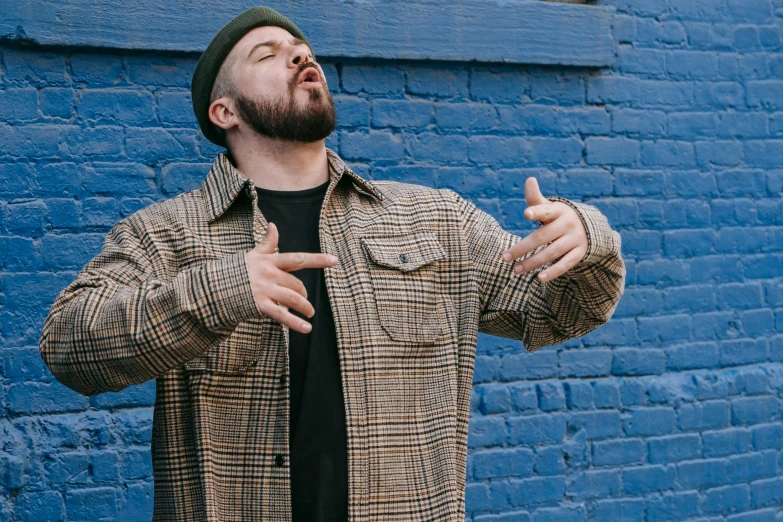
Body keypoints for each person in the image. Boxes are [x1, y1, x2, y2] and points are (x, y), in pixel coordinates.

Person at [39, 6, 625, 521]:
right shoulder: (164, 235)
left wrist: (588, 239)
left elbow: (559, 313)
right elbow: (68, 348)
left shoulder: (437, 221)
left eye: (303, 51)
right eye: (268, 54)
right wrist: (218, 291)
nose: (298, 56)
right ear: (224, 112)